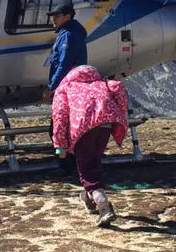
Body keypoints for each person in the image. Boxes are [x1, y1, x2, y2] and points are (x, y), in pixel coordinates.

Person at [51, 65, 129, 226]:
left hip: (82, 130)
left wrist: (60, 145)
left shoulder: (65, 87)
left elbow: (59, 116)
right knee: (93, 161)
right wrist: (118, 118)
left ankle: (104, 206)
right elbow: (119, 91)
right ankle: (88, 199)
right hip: (105, 126)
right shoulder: (102, 83)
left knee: (86, 168)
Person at [42, 3, 87, 101]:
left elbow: (64, 64)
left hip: (66, 86)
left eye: (57, 16)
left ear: (67, 17)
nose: (53, 19)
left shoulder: (68, 36)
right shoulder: (69, 32)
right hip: (71, 85)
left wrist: (51, 87)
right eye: (53, 16)